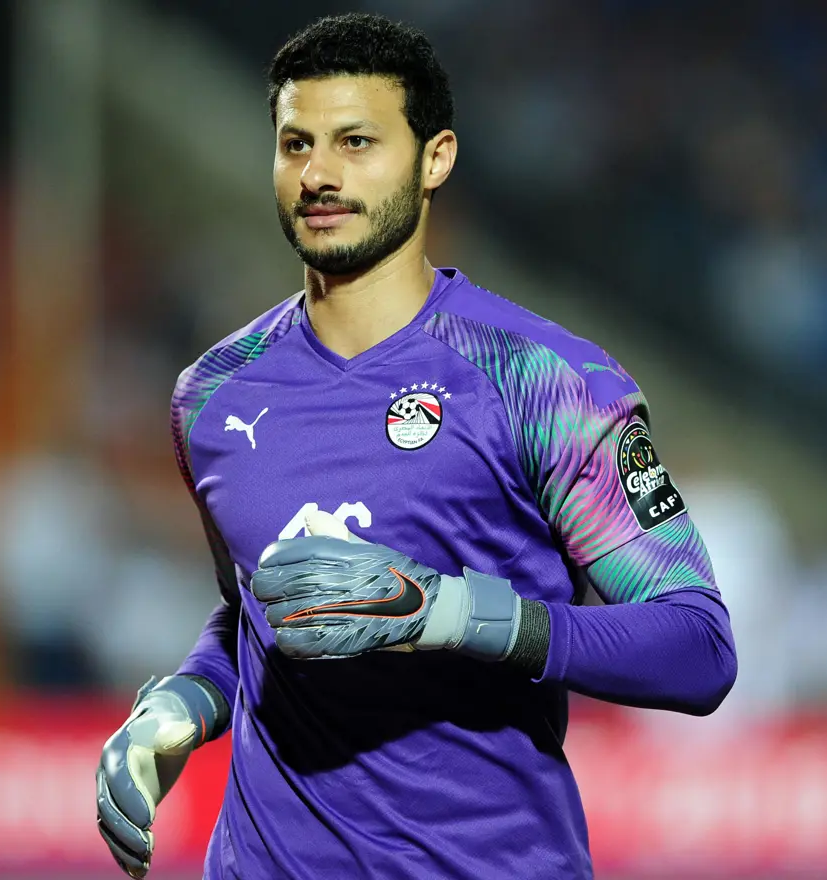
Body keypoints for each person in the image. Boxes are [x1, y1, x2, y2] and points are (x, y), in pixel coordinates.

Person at [96, 13, 736, 880]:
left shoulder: (545, 383)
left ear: (435, 159)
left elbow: (698, 648)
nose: (319, 175)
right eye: (296, 145)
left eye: (356, 142)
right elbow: (263, 608)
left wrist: (456, 614)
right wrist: (186, 701)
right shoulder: (213, 396)